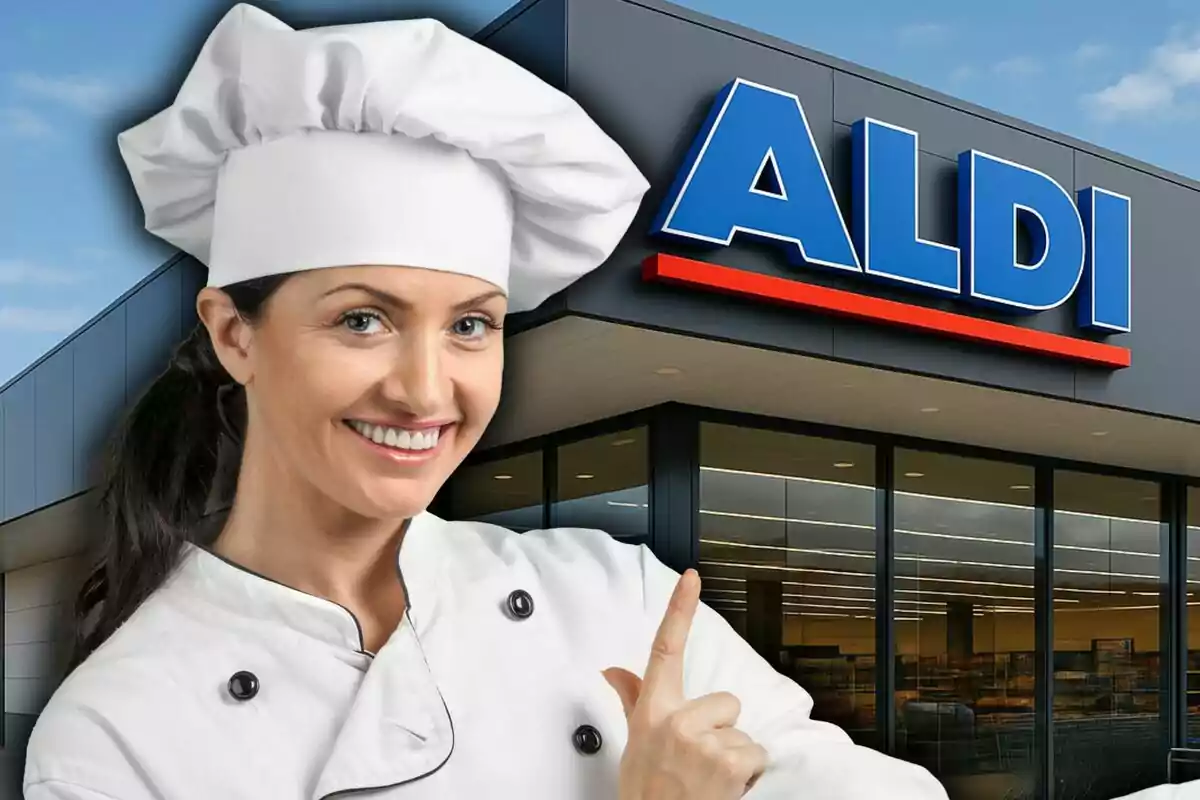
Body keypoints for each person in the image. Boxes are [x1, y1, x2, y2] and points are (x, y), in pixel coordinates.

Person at [22, 6, 950, 800]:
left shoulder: (608, 594)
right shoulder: (116, 730)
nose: (427, 390)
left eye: (471, 327)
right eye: (362, 321)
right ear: (235, 335)